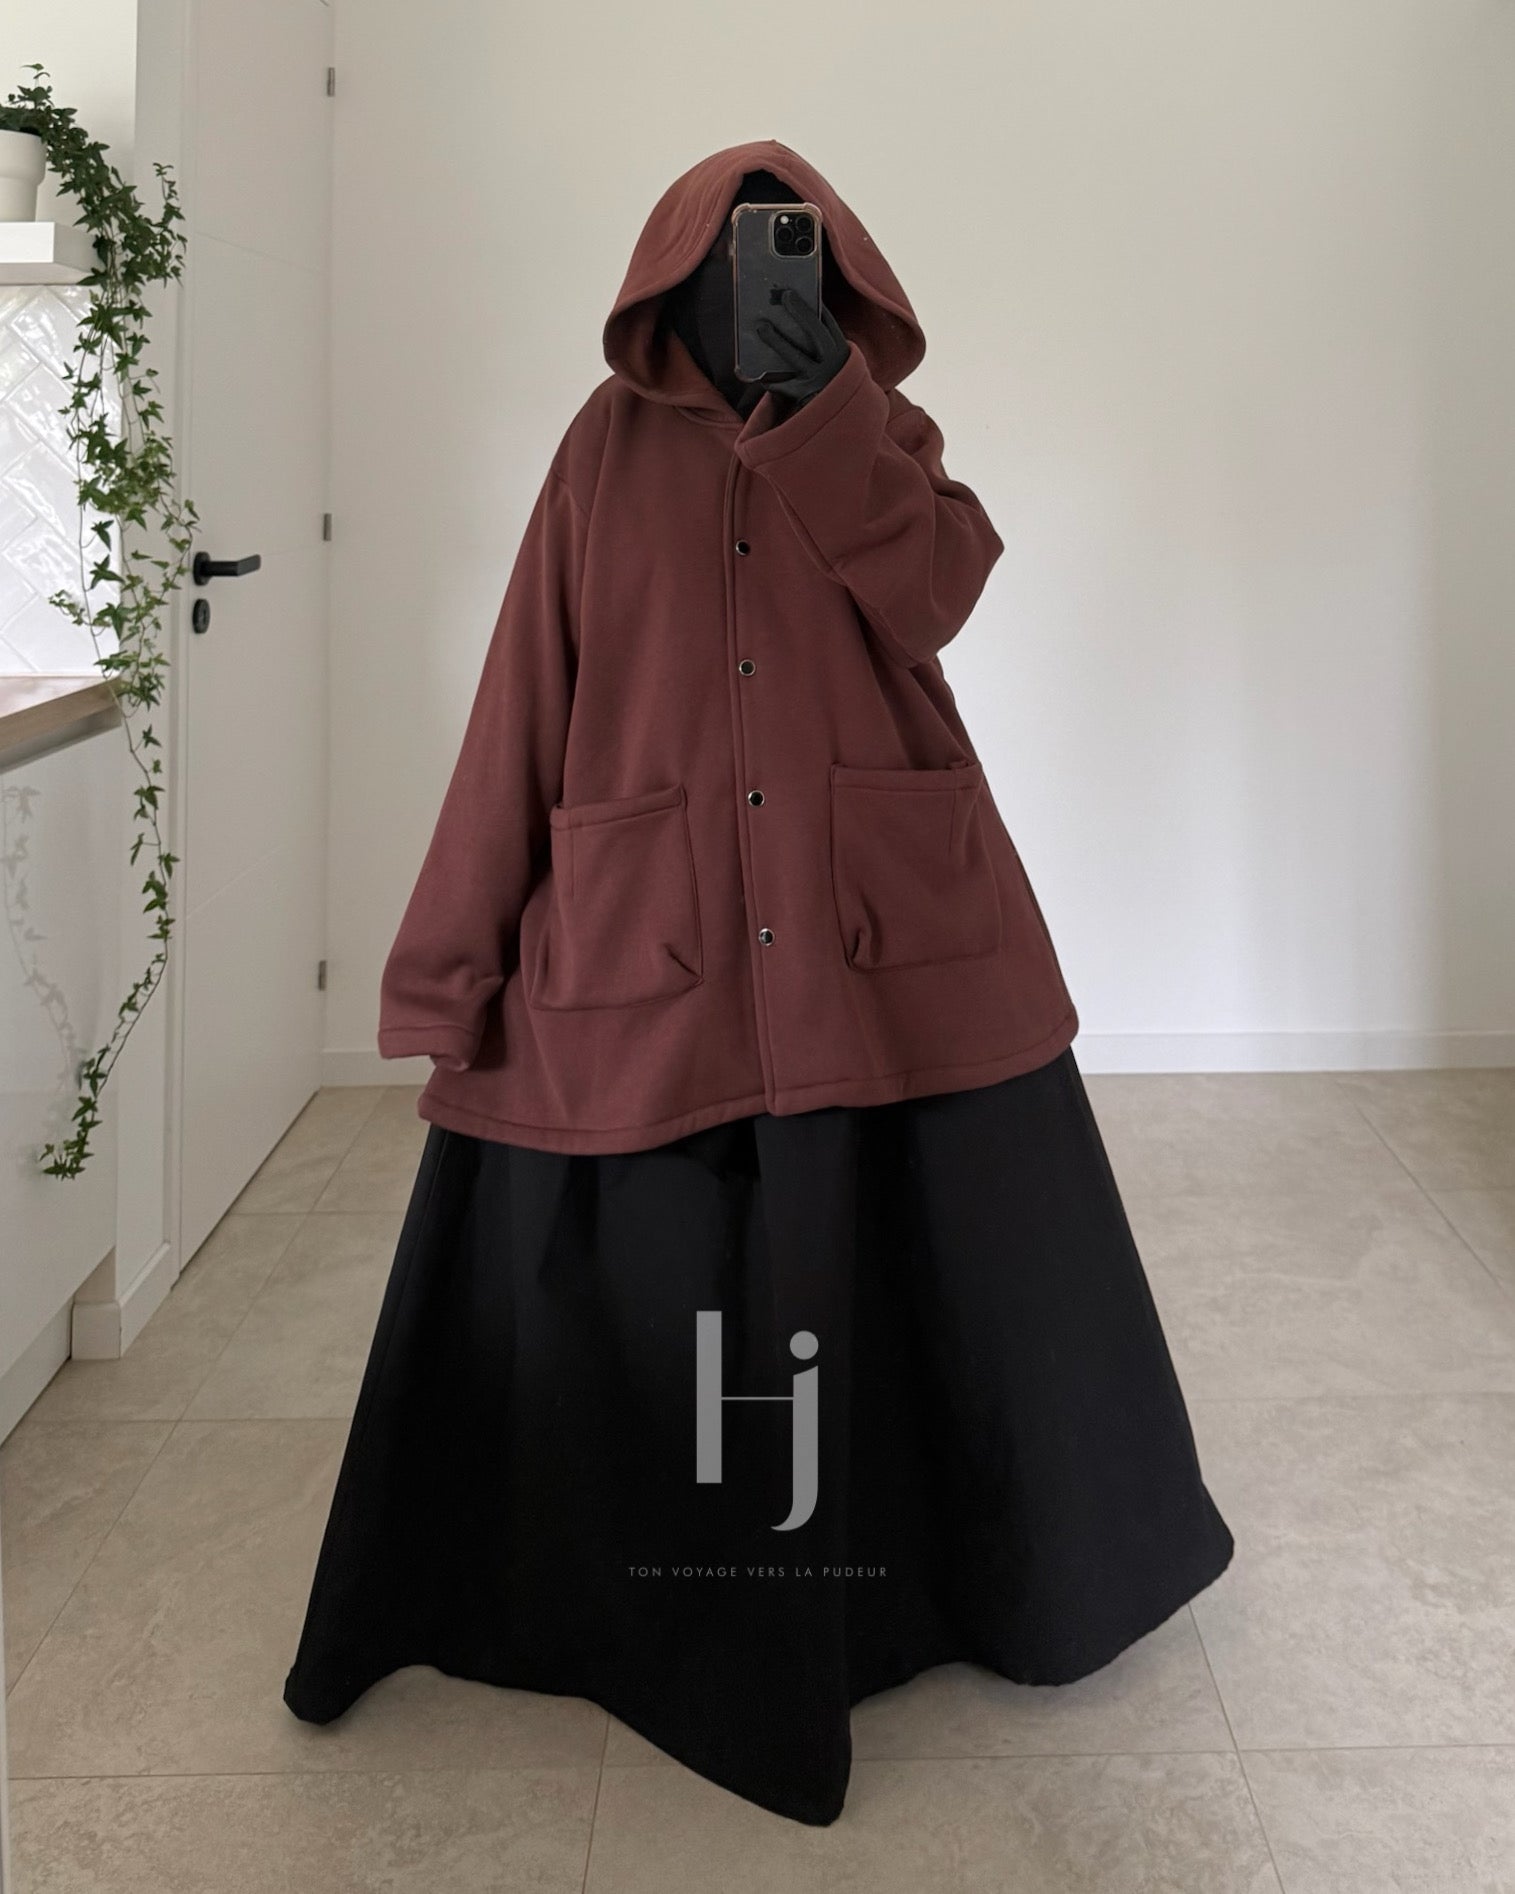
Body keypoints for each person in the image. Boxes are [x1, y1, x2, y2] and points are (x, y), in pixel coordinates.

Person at [282, 139, 1234, 1828]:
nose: (753, 279)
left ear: (835, 269)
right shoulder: (600, 451)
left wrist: (829, 418)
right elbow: (523, 695)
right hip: (654, 943)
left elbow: (936, 593)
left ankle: (936, 1580)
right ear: (672, 278)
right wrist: (449, 969)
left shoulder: (876, 431)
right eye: (724, 257)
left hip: (882, 937)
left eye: (784, 250)